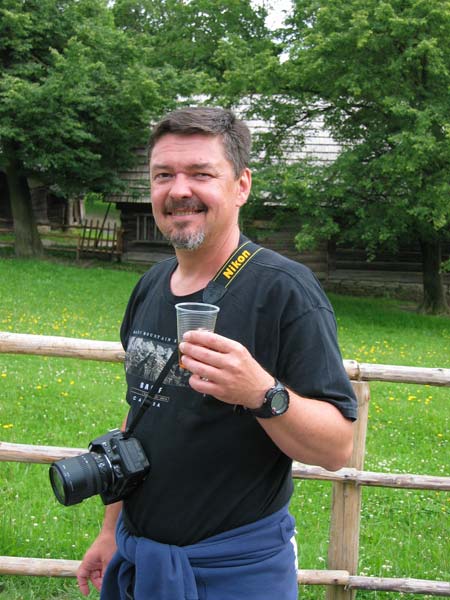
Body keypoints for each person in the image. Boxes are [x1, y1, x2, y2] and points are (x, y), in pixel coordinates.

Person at [77, 107, 357, 599]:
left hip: (235, 572)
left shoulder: (285, 291)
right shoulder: (149, 286)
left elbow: (338, 448)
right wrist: (109, 532)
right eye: (164, 175)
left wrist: (261, 393)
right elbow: (138, 419)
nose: (179, 189)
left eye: (201, 173)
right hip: (141, 560)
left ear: (241, 186)